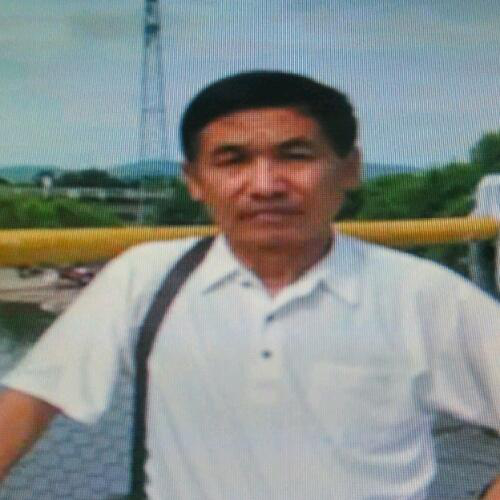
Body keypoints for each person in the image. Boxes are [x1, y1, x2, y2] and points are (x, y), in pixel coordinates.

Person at [0, 71, 499, 500]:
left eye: (295, 156)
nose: (265, 185)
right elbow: (28, 403)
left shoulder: (423, 296)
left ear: (350, 169)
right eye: (232, 161)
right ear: (194, 180)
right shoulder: (146, 278)